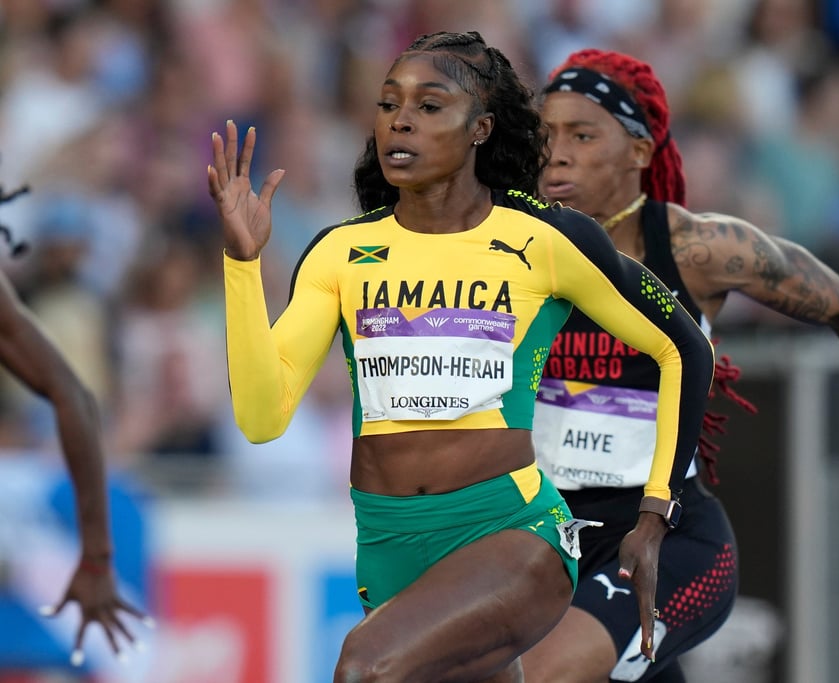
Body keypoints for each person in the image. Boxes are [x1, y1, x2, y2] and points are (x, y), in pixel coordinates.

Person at [207, 31, 715, 682]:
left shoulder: (546, 238)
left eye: (429, 105)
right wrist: (242, 265)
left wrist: (655, 508)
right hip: (388, 546)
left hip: (511, 532)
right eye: (390, 104)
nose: (402, 120)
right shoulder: (339, 252)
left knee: (365, 668)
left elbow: (682, 347)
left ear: (480, 129)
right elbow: (260, 415)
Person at [520, 49, 839, 683]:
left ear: (639, 153)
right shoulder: (512, 249)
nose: (556, 153)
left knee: (537, 674)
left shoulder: (695, 248)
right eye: (546, 135)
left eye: (581, 134)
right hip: (551, 536)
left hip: (668, 543)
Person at [0, 183, 149, 667]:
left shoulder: (91, 301)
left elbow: (81, 397)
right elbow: (74, 398)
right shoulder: (28, 293)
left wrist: (95, 556)